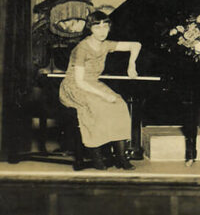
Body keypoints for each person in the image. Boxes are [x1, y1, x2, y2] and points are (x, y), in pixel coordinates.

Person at [59, 11, 141, 170]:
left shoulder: (105, 44)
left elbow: (136, 45)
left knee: (120, 104)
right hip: (74, 86)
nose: (102, 31)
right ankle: (95, 157)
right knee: (98, 106)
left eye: (105, 26)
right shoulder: (82, 48)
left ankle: (121, 157)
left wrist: (132, 64)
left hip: (93, 83)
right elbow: (80, 82)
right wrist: (103, 95)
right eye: (97, 27)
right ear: (90, 28)